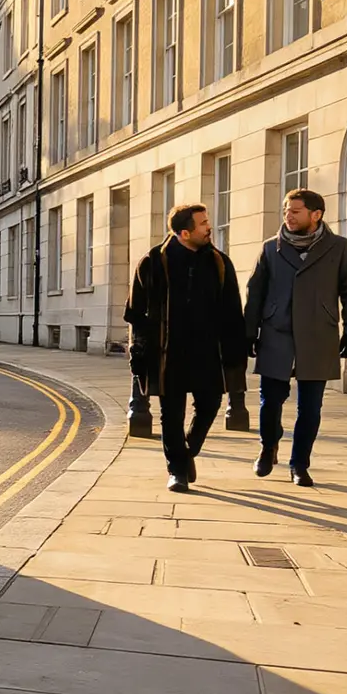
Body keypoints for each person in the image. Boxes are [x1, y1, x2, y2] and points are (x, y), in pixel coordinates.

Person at [243, 189, 347, 487]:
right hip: (276, 333)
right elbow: (255, 293)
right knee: (270, 402)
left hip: (318, 335)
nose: (289, 215)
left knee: (310, 408)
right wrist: (249, 332)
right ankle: (268, 445)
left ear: (316, 214)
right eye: (286, 210)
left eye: (295, 211)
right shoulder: (271, 248)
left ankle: (299, 464)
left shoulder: (339, 248)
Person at [124, 203, 248, 493]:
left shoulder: (219, 262)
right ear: (184, 232)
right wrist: (141, 349)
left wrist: (237, 349)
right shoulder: (153, 261)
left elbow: (232, 310)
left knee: (210, 405)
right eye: (203, 223)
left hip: (207, 352)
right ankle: (177, 470)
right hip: (169, 352)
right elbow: (134, 312)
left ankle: (188, 450)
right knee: (171, 414)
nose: (209, 227)